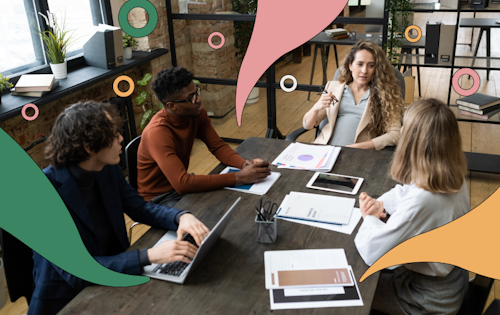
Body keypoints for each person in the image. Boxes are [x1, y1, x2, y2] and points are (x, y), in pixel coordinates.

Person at [29, 102, 210, 315]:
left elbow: (138, 207)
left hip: (116, 277)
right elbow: (76, 272)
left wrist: (181, 216)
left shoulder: (105, 167)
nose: (121, 139)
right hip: (70, 301)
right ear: (89, 147)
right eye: (114, 135)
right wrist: (149, 256)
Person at [354, 98, 470, 315]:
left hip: (425, 299)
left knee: (350, 291)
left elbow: (373, 252)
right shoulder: (450, 175)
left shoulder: (424, 200)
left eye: (404, 125)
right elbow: (406, 190)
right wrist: (380, 205)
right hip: (452, 282)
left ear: (413, 139)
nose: (402, 129)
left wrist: (368, 216)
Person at [137, 66, 271, 205]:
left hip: (179, 188)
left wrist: (243, 164)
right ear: (171, 106)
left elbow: (217, 146)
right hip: (158, 199)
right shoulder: (158, 132)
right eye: (191, 98)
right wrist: (239, 177)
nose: (199, 100)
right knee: (212, 215)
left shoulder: (196, 113)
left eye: (196, 92)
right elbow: (182, 183)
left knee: (234, 204)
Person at [303, 40, 403, 150]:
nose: (364, 71)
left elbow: (395, 134)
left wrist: (359, 147)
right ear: (350, 65)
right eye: (360, 64)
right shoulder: (333, 88)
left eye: (370, 65)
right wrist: (317, 107)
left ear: (376, 69)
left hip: (359, 156)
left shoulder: (385, 95)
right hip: (326, 150)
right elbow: (308, 125)